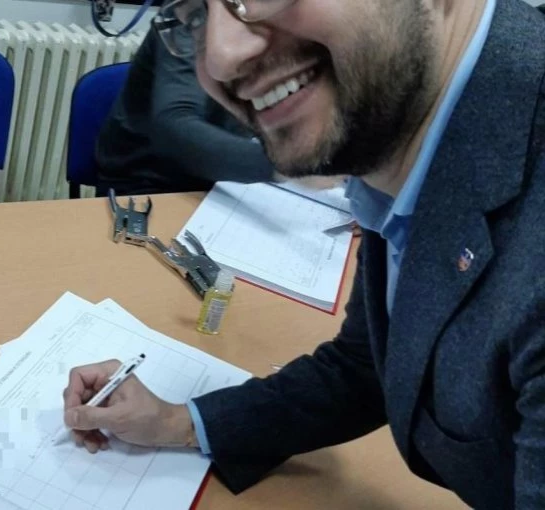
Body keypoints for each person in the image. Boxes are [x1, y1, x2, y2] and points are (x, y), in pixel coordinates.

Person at [64, 0, 545, 508]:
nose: (221, 56)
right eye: (195, 15)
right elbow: (366, 365)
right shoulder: (394, 130)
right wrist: (178, 422)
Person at [94, 27, 276, 195]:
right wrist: (281, 163)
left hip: (219, 179)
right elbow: (176, 126)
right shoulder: (186, 17)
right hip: (149, 180)